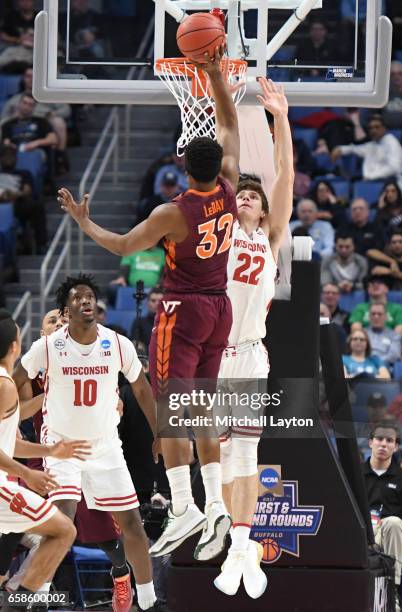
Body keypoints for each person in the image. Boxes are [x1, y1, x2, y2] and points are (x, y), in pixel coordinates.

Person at [59, 46, 240, 562]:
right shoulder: (229, 186)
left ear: (181, 163)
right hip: (219, 308)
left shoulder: (172, 212)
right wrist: (213, 75)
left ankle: (184, 507)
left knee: (170, 408)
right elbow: (228, 122)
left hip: (183, 311)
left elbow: (119, 246)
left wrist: (83, 221)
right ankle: (217, 502)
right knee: (201, 405)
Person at [17, 275, 168, 612]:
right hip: (59, 448)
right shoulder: (46, 348)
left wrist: (160, 431)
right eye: (77, 297)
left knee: (125, 525)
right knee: (61, 521)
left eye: (90, 296)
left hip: (104, 447)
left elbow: (141, 389)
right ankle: (38, 596)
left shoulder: (116, 343)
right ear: (66, 310)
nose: (86, 301)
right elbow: (14, 383)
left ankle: (146, 599)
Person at [214, 79, 294, 598]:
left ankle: (242, 545)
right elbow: (226, 150)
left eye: (251, 196)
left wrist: (280, 119)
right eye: (239, 193)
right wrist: (221, 87)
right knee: (223, 459)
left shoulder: (269, 237)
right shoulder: (220, 228)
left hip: (248, 356)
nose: (244, 197)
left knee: (246, 457)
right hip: (212, 355)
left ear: (263, 211)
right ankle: (237, 545)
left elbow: (284, 175)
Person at [0, 311, 90, 612]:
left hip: (20, 470)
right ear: (16, 346)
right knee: (63, 531)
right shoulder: (8, 383)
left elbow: (8, 441)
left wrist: (51, 451)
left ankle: (21, 598)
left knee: (55, 533)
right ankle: (21, 602)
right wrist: (28, 472)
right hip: (10, 479)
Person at [363, 423, 402, 611]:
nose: (383, 444)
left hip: (391, 532)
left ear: (396, 447)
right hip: (361, 530)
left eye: (389, 440)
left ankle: (393, 591)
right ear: (370, 443)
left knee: (394, 522)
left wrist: (400, 526)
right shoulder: (354, 473)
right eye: (379, 439)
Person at [0, 67, 71, 174]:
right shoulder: (14, 100)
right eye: (28, 76)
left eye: (33, 77)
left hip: (42, 125)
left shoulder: (48, 96)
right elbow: (4, 118)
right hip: (16, 130)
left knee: (58, 122)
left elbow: (66, 110)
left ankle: (60, 157)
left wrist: (53, 114)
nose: (31, 79)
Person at [0, 144, 47, 254]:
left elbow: (27, 190)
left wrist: (16, 194)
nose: (8, 159)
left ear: (16, 159)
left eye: (11, 156)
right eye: (5, 156)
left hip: (17, 203)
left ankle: (41, 245)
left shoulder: (24, 174)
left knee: (37, 206)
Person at [331, 115, 402, 181]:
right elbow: (355, 149)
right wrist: (340, 149)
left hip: (390, 183)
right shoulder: (372, 145)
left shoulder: (391, 142)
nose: (373, 130)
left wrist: (371, 176)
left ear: (384, 128)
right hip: (371, 182)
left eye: (377, 127)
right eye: (371, 128)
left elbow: (395, 168)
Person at [1, 94, 57, 158]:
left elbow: (53, 139)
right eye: (24, 103)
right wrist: (10, 146)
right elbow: (6, 142)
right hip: (14, 153)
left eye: (30, 105)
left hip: (36, 151)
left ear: (34, 107)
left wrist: (36, 143)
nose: (26, 107)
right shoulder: (8, 124)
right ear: (19, 103)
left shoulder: (41, 122)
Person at [381, 61, 402, 130]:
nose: (397, 77)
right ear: (389, 77)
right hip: (386, 133)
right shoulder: (383, 96)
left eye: (400, 73)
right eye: (393, 74)